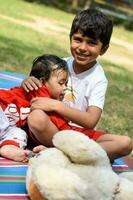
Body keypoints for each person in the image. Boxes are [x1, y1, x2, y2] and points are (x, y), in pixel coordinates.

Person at [22, 9, 132, 162]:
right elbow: (37, 86)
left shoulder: (98, 79)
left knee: (125, 143)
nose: (82, 47)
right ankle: (75, 156)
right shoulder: (59, 65)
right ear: (70, 38)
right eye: (78, 39)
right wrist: (28, 82)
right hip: (52, 128)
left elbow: (90, 121)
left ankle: (60, 153)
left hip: (79, 134)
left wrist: (56, 105)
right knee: (36, 118)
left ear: (104, 49)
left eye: (92, 43)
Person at [0, 54, 68, 162]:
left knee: (19, 134)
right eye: (61, 83)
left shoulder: (47, 105)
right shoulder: (37, 91)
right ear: (41, 82)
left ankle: (9, 147)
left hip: (8, 129)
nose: (65, 88)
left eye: (66, 84)